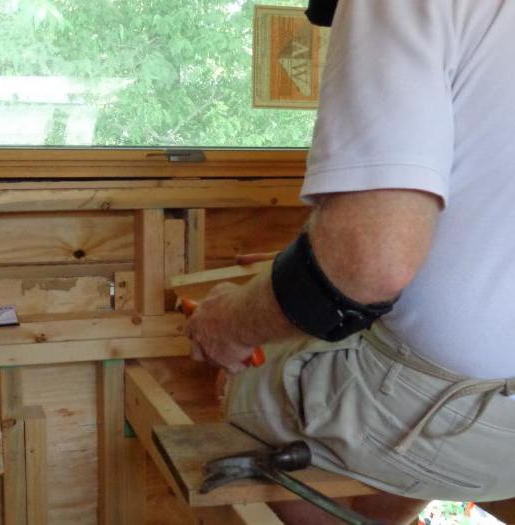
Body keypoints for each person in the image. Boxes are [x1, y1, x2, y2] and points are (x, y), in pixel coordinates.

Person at [185, 1, 515, 523]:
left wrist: (230, 324)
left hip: (473, 420)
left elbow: (370, 265)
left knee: (256, 376)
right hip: (484, 416)